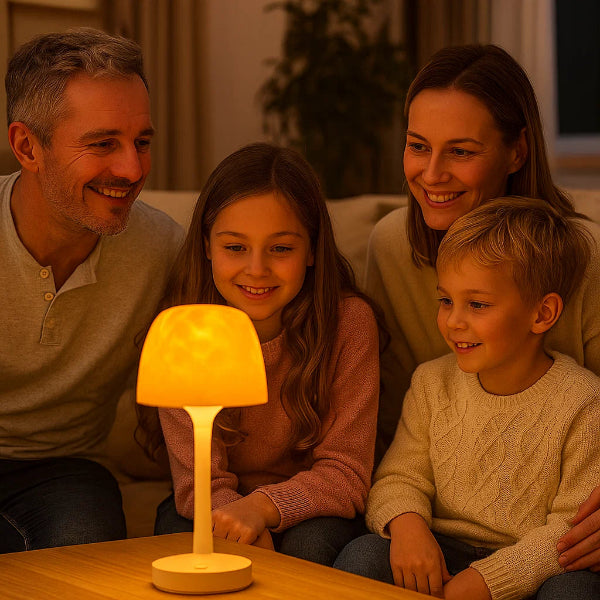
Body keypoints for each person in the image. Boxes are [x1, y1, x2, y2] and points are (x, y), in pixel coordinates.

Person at [366, 43, 600, 571]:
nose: (432, 174)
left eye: (462, 151)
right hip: (440, 524)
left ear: (516, 152)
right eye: (418, 146)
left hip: (558, 526)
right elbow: (391, 429)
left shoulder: (587, 259)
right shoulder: (390, 248)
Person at [335, 197, 600, 599]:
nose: (454, 321)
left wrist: (487, 582)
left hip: (532, 568)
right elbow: (397, 479)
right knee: (364, 555)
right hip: (438, 550)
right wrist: (408, 528)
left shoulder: (582, 401)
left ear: (543, 314)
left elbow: (571, 530)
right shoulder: (431, 383)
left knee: (577, 590)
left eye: (477, 304)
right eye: (446, 301)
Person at [0, 28, 183, 553]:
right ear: (27, 147)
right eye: (103, 143)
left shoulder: (162, 249)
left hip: (66, 468)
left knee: (88, 558)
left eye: (142, 143)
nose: (132, 170)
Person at [155, 142, 381, 566]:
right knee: (177, 539)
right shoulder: (183, 332)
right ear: (207, 246)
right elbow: (196, 482)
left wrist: (260, 509)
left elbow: (346, 474)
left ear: (312, 250)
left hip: (312, 503)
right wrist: (235, 520)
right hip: (212, 497)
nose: (256, 269)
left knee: (308, 549)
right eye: (235, 248)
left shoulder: (349, 323)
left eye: (280, 249)